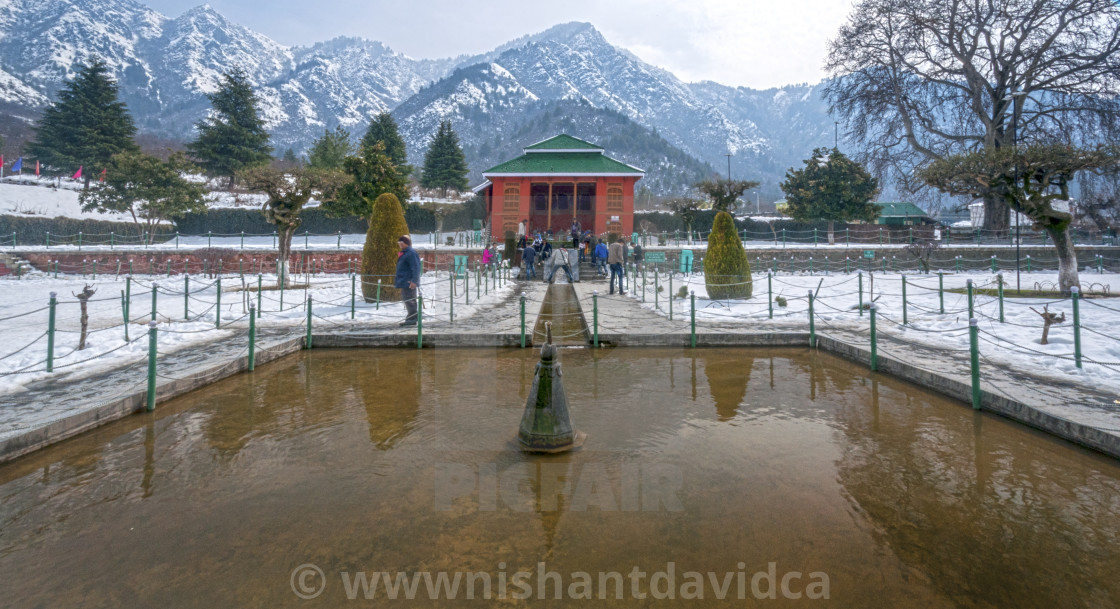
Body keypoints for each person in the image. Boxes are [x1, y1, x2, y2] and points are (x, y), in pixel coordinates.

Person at [395, 235, 421, 326]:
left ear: (406, 243)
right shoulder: (406, 252)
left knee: (410, 300)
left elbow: (416, 267)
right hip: (405, 281)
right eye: (399, 243)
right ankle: (411, 318)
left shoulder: (411, 253)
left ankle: (412, 319)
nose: (400, 245)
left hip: (409, 282)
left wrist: (414, 281)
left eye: (402, 243)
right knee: (408, 300)